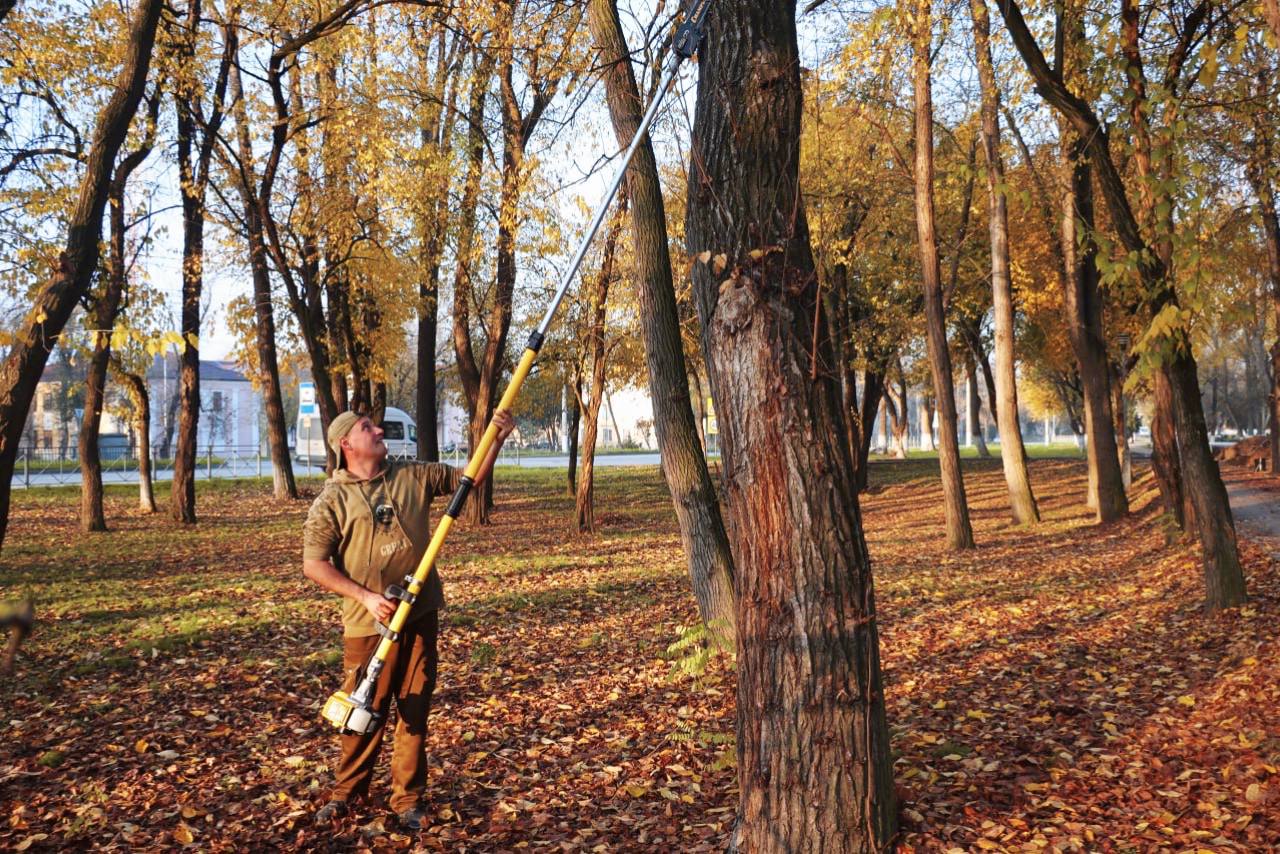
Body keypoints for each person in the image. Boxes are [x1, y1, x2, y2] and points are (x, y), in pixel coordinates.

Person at [302, 407, 515, 830]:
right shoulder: (333, 499)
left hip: (419, 614)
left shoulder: (411, 475)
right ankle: (347, 794)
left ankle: (408, 800)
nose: (378, 430)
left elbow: (470, 479)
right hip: (369, 625)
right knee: (365, 709)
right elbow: (314, 564)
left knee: (413, 709)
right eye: (367, 428)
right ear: (346, 444)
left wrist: (497, 438)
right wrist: (365, 596)